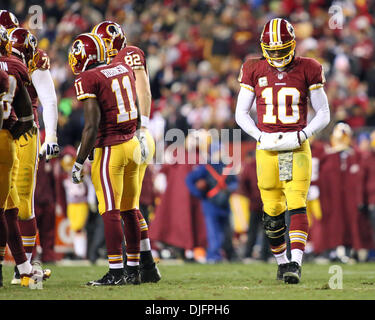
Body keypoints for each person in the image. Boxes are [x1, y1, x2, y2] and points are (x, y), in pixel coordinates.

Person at [235, 18, 330, 283]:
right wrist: (259, 135)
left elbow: (324, 112)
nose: (276, 54)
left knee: (297, 202)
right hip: (266, 148)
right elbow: (240, 113)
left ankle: (295, 264)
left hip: (297, 146)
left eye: (281, 49)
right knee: (272, 208)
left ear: (292, 45)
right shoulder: (253, 68)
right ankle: (281, 262)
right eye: (272, 49)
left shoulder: (308, 67)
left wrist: (303, 134)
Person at [69, 32, 142, 285]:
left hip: (111, 149)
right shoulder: (121, 66)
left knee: (110, 210)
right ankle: (133, 270)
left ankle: (115, 271)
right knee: (130, 209)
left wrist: (79, 161)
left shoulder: (87, 77)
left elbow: (91, 125)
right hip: (132, 144)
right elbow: (136, 107)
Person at [91, 20, 160, 282]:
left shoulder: (128, 54)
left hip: (130, 136)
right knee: (130, 206)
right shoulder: (114, 61)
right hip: (132, 135)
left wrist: (142, 126)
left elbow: (144, 91)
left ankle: (128, 268)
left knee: (121, 207)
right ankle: (146, 266)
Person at [0, 15, 59, 283]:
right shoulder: (17, 62)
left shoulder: (25, 55)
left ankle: (20, 268)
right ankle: (22, 269)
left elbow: (47, 98)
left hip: (19, 132)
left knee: (18, 203)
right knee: (16, 203)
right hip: (21, 130)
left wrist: (51, 135)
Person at [0, 24, 37, 287]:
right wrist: (11, 134)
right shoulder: (11, 69)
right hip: (6, 143)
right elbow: (27, 115)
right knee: (9, 208)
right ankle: (24, 267)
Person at [185, 142, 238, 263]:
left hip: (224, 203)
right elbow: (189, 179)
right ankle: (213, 255)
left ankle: (227, 253)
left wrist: (229, 189)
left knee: (226, 232)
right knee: (213, 232)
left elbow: (235, 182)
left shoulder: (227, 166)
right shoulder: (206, 167)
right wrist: (199, 193)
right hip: (210, 203)